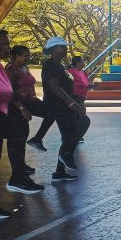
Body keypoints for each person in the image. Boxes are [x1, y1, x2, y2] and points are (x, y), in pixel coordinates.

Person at [0, 30, 43, 220]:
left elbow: (6, 93)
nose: (8, 47)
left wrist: (19, 97)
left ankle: (17, 176)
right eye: (5, 44)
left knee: (19, 126)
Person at [41, 37, 91, 181]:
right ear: (54, 49)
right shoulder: (51, 65)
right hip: (58, 105)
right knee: (81, 124)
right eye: (62, 46)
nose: (66, 48)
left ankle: (60, 170)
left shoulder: (58, 64)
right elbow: (54, 86)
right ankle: (65, 156)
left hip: (63, 104)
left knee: (70, 134)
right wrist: (71, 103)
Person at [6, 46, 52, 158]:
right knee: (20, 136)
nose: (28, 58)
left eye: (29, 55)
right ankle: (19, 167)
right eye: (26, 56)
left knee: (52, 112)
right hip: (18, 105)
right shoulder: (11, 70)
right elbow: (9, 92)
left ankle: (37, 138)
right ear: (17, 55)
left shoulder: (25, 67)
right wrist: (22, 108)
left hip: (32, 101)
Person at [67, 56, 93, 143]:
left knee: (81, 117)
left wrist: (92, 86)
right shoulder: (71, 72)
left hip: (82, 98)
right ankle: (72, 136)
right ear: (78, 62)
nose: (84, 62)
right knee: (80, 118)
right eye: (82, 61)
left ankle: (76, 136)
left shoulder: (83, 72)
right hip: (75, 97)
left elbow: (86, 84)